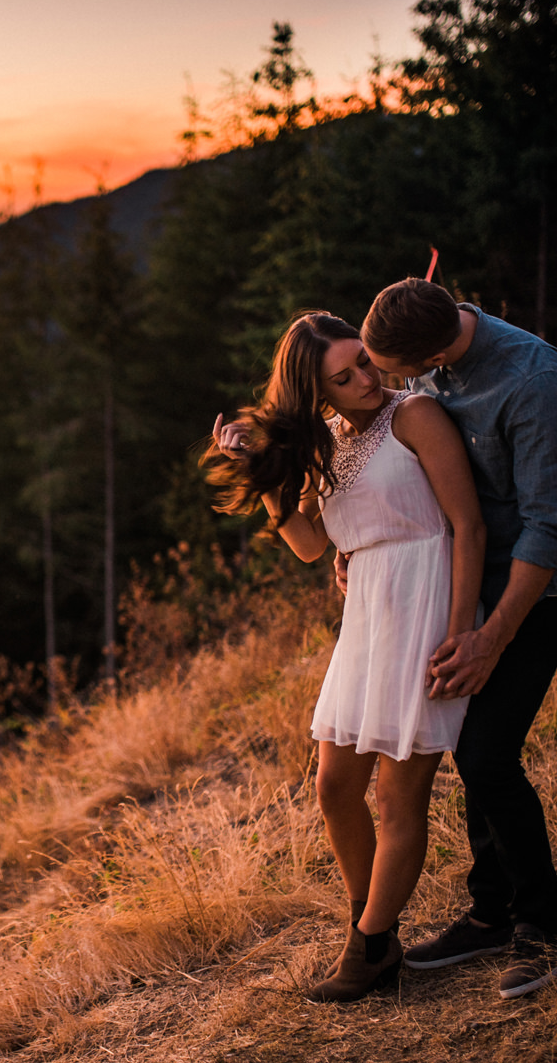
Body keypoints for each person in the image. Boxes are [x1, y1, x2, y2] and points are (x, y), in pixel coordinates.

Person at [206, 311, 485, 1003]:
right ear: (317, 393)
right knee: (334, 787)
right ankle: (377, 931)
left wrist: (461, 632)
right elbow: (306, 545)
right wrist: (260, 470)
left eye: (364, 361)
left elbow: (468, 525)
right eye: (345, 375)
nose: (367, 378)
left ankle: (366, 948)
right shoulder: (329, 440)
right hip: (366, 619)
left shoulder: (414, 414)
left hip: (427, 604)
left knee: (399, 797)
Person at [356, 277, 557, 999]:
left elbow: (549, 529)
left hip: (532, 590)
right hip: (462, 586)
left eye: (392, 371)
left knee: (488, 753)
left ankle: (543, 928)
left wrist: (491, 637)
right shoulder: (431, 357)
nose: (387, 384)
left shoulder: (537, 381)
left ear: (431, 345)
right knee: (469, 742)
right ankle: (490, 915)